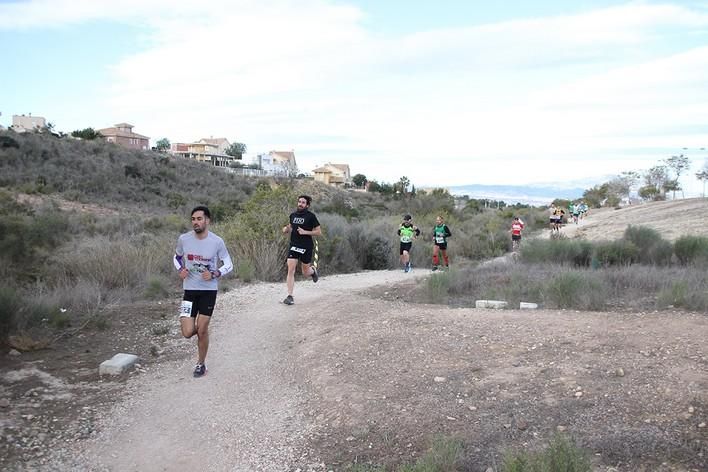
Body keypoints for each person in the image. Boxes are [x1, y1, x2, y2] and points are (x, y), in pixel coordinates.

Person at [174, 206, 233, 378]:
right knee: (187, 333)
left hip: (208, 291)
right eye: (193, 219)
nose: (196, 222)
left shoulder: (217, 241)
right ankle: (203, 332)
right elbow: (177, 257)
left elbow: (229, 264)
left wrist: (216, 273)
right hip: (189, 291)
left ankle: (201, 364)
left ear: (207, 220)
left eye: (199, 219)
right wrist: (180, 269)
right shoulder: (184, 239)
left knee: (201, 329)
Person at [282, 195, 321, 305]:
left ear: (307, 205)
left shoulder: (311, 217)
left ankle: (312, 272)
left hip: (306, 246)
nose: (300, 204)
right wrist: (286, 229)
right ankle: (290, 296)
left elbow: (318, 232)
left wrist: (306, 232)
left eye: (303, 202)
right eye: (299, 202)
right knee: (291, 269)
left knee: (305, 272)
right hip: (294, 245)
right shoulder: (293, 215)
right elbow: (290, 226)